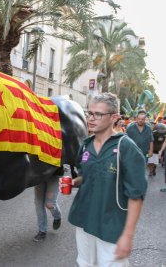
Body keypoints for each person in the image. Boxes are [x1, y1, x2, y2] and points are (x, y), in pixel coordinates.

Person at [65, 93, 147, 266]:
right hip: (84, 220)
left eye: (98, 114)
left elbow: (136, 196)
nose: (91, 118)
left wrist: (127, 236)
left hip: (112, 227)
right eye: (89, 113)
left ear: (114, 117)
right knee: (85, 263)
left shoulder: (126, 147)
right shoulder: (86, 145)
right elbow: (84, 176)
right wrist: (74, 182)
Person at [33, 173, 62, 242]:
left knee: (49, 203)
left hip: (54, 174)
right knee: (38, 204)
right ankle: (42, 231)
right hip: (39, 176)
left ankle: (57, 217)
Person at [126, 110, 153, 175]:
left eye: (142, 119)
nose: (140, 120)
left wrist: (151, 151)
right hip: (132, 153)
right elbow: (126, 140)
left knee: (142, 169)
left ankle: (140, 182)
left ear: (145, 119)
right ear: (136, 119)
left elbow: (151, 140)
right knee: (132, 169)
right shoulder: (130, 128)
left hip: (144, 153)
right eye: (139, 119)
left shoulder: (148, 128)